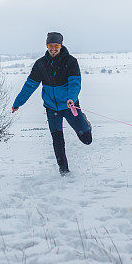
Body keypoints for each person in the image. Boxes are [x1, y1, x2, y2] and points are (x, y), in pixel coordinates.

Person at [12, 32, 92, 174]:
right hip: (51, 107)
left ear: (61, 46)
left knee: (87, 139)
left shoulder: (70, 62)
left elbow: (75, 83)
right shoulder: (40, 64)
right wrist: (18, 103)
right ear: (47, 46)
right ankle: (64, 170)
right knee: (57, 139)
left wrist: (71, 98)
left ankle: (85, 123)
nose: (53, 48)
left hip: (69, 105)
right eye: (50, 46)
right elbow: (29, 85)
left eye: (56, 46)